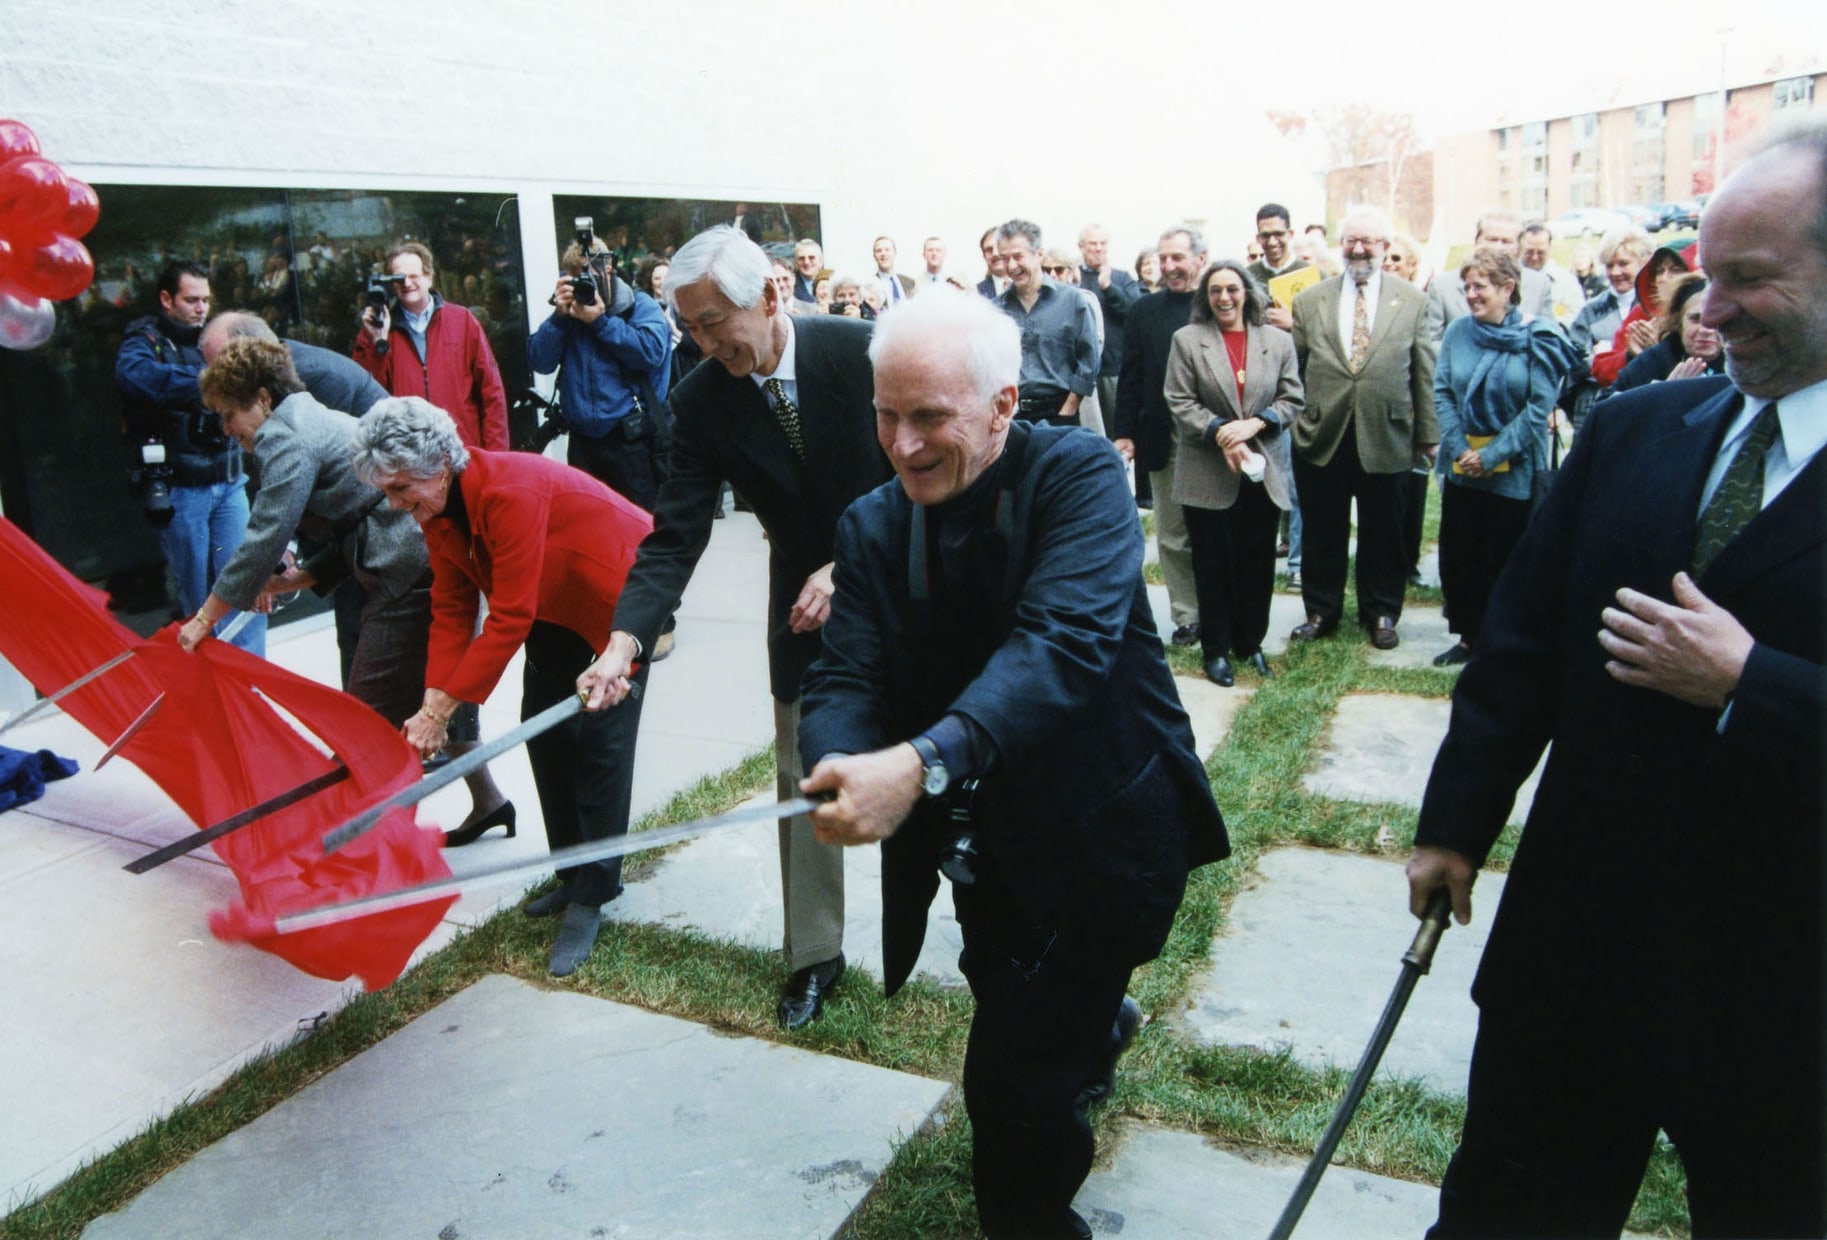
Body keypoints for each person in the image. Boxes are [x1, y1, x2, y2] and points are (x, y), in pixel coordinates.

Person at [1405, 116, 1827, 1238]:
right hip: (1578, 949)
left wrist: (1751, 683)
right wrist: (1456, 821)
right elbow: (1525, 642)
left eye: (1750, 280)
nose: (1711, 309)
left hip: (1783, 989)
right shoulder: (1640, 424)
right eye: (1704, 276)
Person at [794, 288, 1229, 1240]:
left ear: (1002, 405)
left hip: (1098, 830)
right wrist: (838, 758)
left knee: (1009, 1091)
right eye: (884, 416)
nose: (902, 445)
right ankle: (1091, 1032)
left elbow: (1059, 648)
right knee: (1008, 980)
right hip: (980, 841)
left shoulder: (1076, 479)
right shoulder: (870, 525)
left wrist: (920, 761)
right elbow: (845, 675)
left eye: (929, 418)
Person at [576, 225, 893, 1029]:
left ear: (774, 294)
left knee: (951, 753)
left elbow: (931, 468)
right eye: (690, 327)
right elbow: (673, 533)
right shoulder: (700, 401)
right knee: (803, 767)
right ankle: (814, 955)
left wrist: (850, 561)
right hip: (800, 603)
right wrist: (626, 640)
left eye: (718, 320)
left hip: (906, 577)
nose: (706, 341)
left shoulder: (866, 354)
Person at [352, 397, 652, 977]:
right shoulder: (437, 514)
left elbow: (508, 616)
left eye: (399, 488)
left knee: (600, 746)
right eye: (387, 491)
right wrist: (432, 698)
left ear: (440, 465)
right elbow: (451, 605)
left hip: (618, 593)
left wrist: (441, 709)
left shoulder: (508, 491)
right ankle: (571, 876)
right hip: (553, 600)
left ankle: (594, 895)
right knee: (545, 734)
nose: (393, 504)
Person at [180, 341, 443, 748]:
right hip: (415, 565)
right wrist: (292, 581)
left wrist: (204, 618)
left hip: (406, 575)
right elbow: (359, 519)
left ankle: (372, 811)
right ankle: (490, 804)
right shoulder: (306, 416)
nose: (227, 430)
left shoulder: (285, 433)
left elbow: (267, 534)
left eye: (229, 415)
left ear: (264, 398)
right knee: (413, 715)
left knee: (365, 723)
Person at [199, 311, 388, 689]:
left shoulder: (310, 384)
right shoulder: (271, 395)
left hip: (385, 518)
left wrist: (207, 616)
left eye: (221, 364)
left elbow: (297, 482)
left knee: (378, 638)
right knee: (361, 638)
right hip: (359, 525)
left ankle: (419, 734)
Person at [1289, 204, 1439, 650]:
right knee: (1322, 528)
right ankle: (1321, 610)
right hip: (1322, 434)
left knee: (1384, 532)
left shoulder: (1412, 300)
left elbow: (1423, 373)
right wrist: (1297, 419)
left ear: (1385, 248)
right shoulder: (1309, 299)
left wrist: (1427, 433)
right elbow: (1292, 371)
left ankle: (1382, 612)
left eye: (1369, 241)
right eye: (1352, 240)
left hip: (1387, 435)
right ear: (1341, 245)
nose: (1359, 248)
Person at [1427, 248, 1580, 667]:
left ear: (1507, 287)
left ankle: (1502, 640)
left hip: (1512, 470)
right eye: (1467, 287)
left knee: (1507, 556)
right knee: (1461, 557)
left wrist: (1492, 455)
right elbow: (1442, 392)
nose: (1471, 295)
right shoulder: (1458, 332)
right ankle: (1468, 637)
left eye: (1481, 286)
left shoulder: (1540, 336)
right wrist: (1460, 449)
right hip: (1463, 466)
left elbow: (1537, 410)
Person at [115, 260, 265, 656]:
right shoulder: (145, 341)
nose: (201, 308)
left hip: (230, 481)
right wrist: (207, 383)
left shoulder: (215, 338)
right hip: (184, 490)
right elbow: (135, 378)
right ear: (167, 299)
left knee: (245, 586)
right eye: (192, 300)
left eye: (206, 300)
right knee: (199, 600)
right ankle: (213, 687)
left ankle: (255, 686)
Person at [1166, 260, 1302, 686]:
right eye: (1216, 290)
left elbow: (1292, 398)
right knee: (1211, 562)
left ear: (1247, 293)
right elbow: (1179, 399)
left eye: (1232, 289)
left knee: (1257, 561)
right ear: (1206, 297)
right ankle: (1216, 650)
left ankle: (1250, 643)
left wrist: (1256, 424)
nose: (1225, 298)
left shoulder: (1277, 341)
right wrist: (1223, 433)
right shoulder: (1188, 340)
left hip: (1262, 470)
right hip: (1208, 469)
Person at [528, 236, 674, 514]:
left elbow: (650, 353)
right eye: (575, 277)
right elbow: (539, 361)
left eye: (589, 274)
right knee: (589, 523)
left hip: (630, 440)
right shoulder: (568, 315)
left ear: (608, 269)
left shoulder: (637, 305)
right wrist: (558, 318)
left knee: (638, 525)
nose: (585, 283)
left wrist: (600, 323)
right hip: (584, 442)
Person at [1113, 226, 1208, 645]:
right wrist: (1125, 433)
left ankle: (1224, 609)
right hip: (1163, 438)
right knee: (1173, 534)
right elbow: (1130, 376)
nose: (1169, 267)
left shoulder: (1219, 303)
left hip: (1215, 438)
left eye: (1177, 258)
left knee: (1217, 532)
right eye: (1163, 258)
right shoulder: (1143, 311)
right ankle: (1188, 615)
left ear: (1200, 259)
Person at [351, 241, 508, 453]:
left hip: (463, 451)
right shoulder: (378, 329)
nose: (407, 283)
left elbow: (491, 394)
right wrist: (377, 341)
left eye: (414, 276)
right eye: (399, 278)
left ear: (429, 277)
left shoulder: (462, 321)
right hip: (410, 456)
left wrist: (495, 458)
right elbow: (367, 396)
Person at [994, 219, 1099, 428]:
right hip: (1013, 419)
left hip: (1060, 414)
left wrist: (1066, 412)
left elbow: (1089, 361)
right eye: (1005, 259)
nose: (1011, 266)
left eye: (1018, 256)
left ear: (1039, 254)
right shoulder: (997, 310)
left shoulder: (1072, 301)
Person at [1422, 209, 1556, 344]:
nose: (1498, 247)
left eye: (1506, 241)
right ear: (1477, 241)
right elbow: (1432, 340)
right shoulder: (1442, 286)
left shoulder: (1539, 284)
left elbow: (1548, 337)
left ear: (1519, 247)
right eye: (1491, 239)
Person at [1564, 225, 1652, 426]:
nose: (1615, 272)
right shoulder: (1591, 311)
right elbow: (1572, 362)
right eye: (1609, 265)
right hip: (1597, 407)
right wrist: (1597, 360)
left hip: (1644, 402)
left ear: (1644, 263)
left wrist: (1611, 352)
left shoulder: (1654, 307)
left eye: (1623, 264)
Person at [1607, 273, 1725, 395]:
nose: (1705, 330)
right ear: (1678, 322)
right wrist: (1664, 392)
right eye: (1695, 319)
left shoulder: (1739, 360)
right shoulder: (1655, 360)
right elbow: (1606, 406)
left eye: (1715, 319)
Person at [1079, 223, 1142, 441]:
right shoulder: (1073, 278)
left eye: (1102, 243)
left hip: (1113, 372)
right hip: (1081, 374)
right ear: (1081, 247)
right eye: (1092, 243)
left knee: (1116, 436)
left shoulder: (1122, 278)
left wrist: (1108, 288)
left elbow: (1136, 313)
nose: (1098, 248)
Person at [1245, 202, 1310, 332]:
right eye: (1265, 235)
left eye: (1278, 234)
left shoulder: (1311, 275)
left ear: (1290, 234)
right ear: (1257, 238)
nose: (1272, 242)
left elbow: (1324, 329)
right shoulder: (1246, 277)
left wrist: (1294, 325)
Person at [1517, 221, 1584, 326]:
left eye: (1540, 252)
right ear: (1520, 248)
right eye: (1529, 252)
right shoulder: (1510, 278)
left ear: (1550, 248)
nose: (1534, 257)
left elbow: (1577, 317)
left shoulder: (1566, 281)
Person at [871, 235, 915, 305]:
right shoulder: (870, 286)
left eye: (887, 250)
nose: (883, 254)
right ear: (874, 256)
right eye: (879, 251)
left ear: (895, 253)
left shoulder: (910, 283)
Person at [976, 227, 1009, 300]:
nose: (995, 253)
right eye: (989, 250)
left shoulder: (1032, 286)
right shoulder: (976, 293)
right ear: (984, 256)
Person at [791, 238, 823, 304]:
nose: (806, 262)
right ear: (795, 262)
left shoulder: (831, 284)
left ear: (820, 260)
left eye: (811, 257)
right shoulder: (790, 285)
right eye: (801, 258)